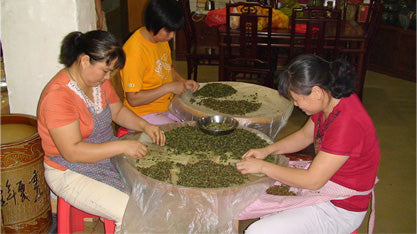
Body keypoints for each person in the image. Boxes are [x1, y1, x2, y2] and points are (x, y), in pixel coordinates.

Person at [37, 30, 165, 232]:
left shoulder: (98, 83)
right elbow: (72, 152)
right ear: (85, 60)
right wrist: (121, 146)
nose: (108, 77)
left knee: (158, 186)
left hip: (103, 157)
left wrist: (145, 126)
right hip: (68, 170)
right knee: (131, 213)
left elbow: (118, 111)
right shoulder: (59, 96)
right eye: (105, 71)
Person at [236, 54, 380, 234]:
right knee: (251, 202)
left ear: (317, 92)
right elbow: (305, 135)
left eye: (296, 99)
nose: (295, 105)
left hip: (340, 208)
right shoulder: (330, 101)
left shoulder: (347, 124)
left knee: (258, 231)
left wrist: (263, 166)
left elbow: (313, 181)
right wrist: (267, 150)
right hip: (324, 189)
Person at [117, 0, 199, 137]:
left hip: (165, 107)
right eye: (168, 31)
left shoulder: (161, 40)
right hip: (142, 114)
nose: (172, 36)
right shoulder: (134, 52)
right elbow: (133, 99)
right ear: (153, 24)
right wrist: (169, 87)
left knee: (199, 122)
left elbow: (168, 68)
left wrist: (182, 81)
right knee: (184, 136)